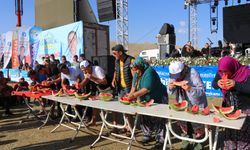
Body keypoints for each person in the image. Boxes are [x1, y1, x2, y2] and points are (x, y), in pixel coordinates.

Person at [128, 57, 168, 149]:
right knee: (144, 117)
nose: (135, 72)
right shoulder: (136, 72)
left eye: (136, 70)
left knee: (159, 118)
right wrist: (129, 96)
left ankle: (160, 139)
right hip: (145, 99)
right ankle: (147, 135)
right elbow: (133, 88)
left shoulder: (149, 72)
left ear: (141, 67)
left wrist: (133, 96)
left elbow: (146, 89)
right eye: (134, 70)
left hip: (158, 97)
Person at [212, 56, 250, 150]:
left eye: (226, 71)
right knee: (229, 137)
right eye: (222, 72)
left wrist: (235, 84)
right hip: (228, 109)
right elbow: (214, 84)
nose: (224, 74)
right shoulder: (221, 72)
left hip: (245, 110)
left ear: (232, 67)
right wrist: (218, 83)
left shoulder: (246, 73)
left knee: (244, 140)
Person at [168, 61, 208, 149]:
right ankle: (185, 143)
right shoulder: (173, 75)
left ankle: (198, 145)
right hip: (182, 104)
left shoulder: (193, 73)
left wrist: (190, 88)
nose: (176, 78)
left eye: (178, 76)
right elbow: (171, 92)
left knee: (197, 128)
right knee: (184, 126)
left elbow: (202, 90)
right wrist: (170, 88)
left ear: (183, 71)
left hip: (196, 105)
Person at [78, 60, 110, 126]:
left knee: (111, 106)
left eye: (85, 70)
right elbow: (86, 79)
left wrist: (92, 78)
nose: (84, 72)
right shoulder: (86, 71)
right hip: (99, 87)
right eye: (83, 71)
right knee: (95, 105)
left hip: (108, 87)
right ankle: (93, 121)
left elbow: (105, 81)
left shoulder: (97, 69)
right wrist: (79, 85)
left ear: (89, 67)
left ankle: (115, 123)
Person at [111, 44, 134, 133]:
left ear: (120, 52)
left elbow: (135, 76)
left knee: (129, 110)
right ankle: (126, 126)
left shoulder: (131, 60)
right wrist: (113, 80)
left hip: (128, 88)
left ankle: (130, 129)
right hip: (120, 88)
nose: (113, 55)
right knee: (123, 109)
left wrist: (133, 90)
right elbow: (116, 71)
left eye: (114, 53)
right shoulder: (116, 61)